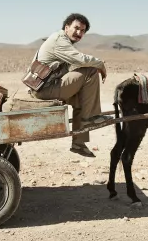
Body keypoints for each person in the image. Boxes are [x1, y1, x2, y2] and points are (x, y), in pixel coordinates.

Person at [26, 13, 112, 157]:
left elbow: (73, 66)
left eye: (83, 31)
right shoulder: (60, 40)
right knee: (90, 71)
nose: (79, 33)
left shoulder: (63, 42)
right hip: (44, 89)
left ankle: (79, 143)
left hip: (45, 86)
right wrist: (100, 64)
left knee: (81, 99)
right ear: (67, 27)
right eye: (76, 28)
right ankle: (92, 117)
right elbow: (80, 60)